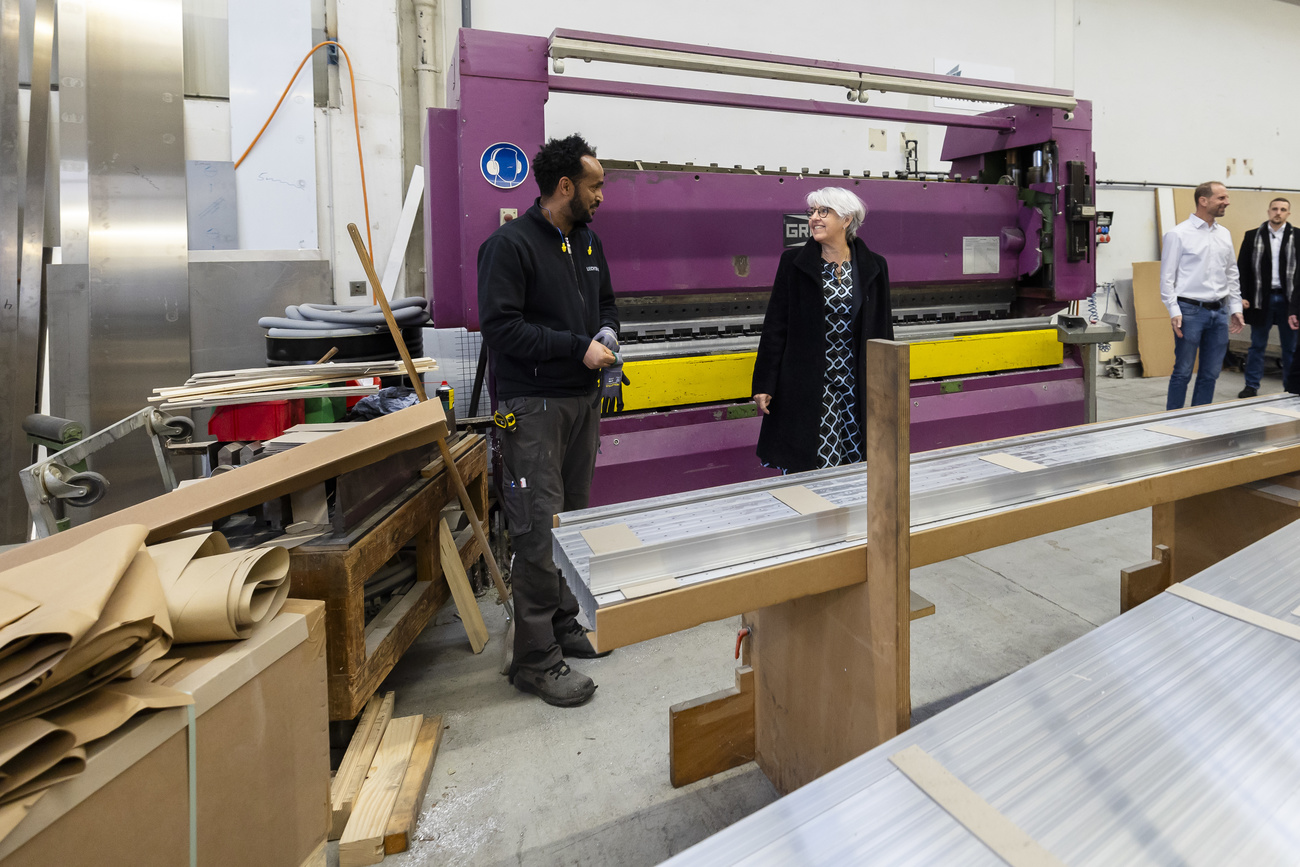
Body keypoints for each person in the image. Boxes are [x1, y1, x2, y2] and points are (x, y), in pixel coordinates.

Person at [477, 134, 619, 707]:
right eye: (596, 186)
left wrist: (607, 333)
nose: (602, 196)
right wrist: (574, 347)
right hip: (530, 408)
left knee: (571, 527)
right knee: (538, 530)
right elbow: (501, 328)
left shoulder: (586, 242)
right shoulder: (509, 246)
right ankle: (534, 660)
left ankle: (562, 626)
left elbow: (606, 304)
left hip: (579, 403)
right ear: (566, 186)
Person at [751, 187, 893, 473]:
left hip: (858, 380)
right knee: (818, 460)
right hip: (811, 379)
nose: (814, 218)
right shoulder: (794, 264)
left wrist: (889, 385)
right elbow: (776, 325)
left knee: (859, 459)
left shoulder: (874, 266)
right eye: (812, 212)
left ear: (846, 219)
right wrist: (764, 383)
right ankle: (821, 515)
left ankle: (850, 516)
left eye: (823, 212)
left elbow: (883, 328)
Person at [1160, 181, 1244, 410]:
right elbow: (1167, 277)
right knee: (1183, 371)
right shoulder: (1178, 234)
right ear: (1203, 201)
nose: (1227, 202)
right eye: (1221, 198)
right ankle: (1172, 419)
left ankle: (1201, 419)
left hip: (1219, 312)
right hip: (1190, 312)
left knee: (1210, 373)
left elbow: (1231, 273)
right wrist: (1174, 310)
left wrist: (1236, 308)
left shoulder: (1224, 234)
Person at [1238, 198, 1297, 397]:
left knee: (1290, 347)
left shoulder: (1297, 236)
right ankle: (1251, 385)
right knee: (1257, 345)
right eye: (1275, 209)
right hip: (1260, 299)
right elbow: (1242, 269)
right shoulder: (1252, 236)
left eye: (1283, 209)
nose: (1278, 212)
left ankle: (1291, 387)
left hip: (1289, 301)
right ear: (1268, 211)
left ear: (1288, 213)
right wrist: (1242, 296)